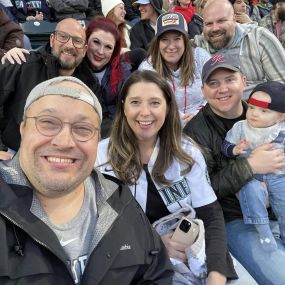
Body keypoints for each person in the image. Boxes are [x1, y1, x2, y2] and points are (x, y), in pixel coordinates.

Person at [0, 76, 174, 284]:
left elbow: (155, 274)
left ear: (96, 140)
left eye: (82, 128)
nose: (64, 142)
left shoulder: (119, 201)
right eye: (48, 123)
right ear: (23, 128)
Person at [96, 69, 240, 285]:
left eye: (155, 103)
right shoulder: (100, 156)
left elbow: (211, 217)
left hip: (192, 257)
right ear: (123, 107)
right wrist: (154, 245)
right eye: (135, 102)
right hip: (132, 263)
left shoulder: (187, 153)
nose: (145, 112)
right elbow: (95, 228)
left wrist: (217, 274)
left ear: (168, 108)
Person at [184, 53, 285, 285]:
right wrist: (249, 166)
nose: (222, 89)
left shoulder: (267, 114)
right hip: (235, 219)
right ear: (203, 90)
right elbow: (200, 193)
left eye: (229, 79)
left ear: (243, 80)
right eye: (213, 83)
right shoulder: (195, 134)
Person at [0, 18, 100, 156]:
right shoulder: (22, 64)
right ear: (52, 40)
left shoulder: (90, 84)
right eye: (63, 37)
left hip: (63, 156)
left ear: (84, 50)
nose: (70, 45)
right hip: (14, 153)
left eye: (77, 41)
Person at [222, 81, 285, 252]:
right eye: (251, 108)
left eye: (264, 111)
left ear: (281, 116)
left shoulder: (281, 130)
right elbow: (226, 146)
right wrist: (234, 149)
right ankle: (263, 230)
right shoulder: (241, 128)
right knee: (252, 192)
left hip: (278, 176)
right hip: (251, 176)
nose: (254, 114)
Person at [193, 0, 285, 99]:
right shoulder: (198, 46)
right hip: (213, 112)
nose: (215, 28)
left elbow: (282, 86)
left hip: (258, 110)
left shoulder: (259, 39)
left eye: (221, 21)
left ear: (234, 19)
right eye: (209, 24)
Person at [139, 11, 210, 126]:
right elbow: (148, 104)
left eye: (177, 39)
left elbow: (215, 92)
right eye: (165, 40)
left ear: (185, 41)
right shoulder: (148, 68)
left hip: (203, 122)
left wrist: (200, 112)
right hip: (166, 126)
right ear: (157, 43)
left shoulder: (200, 57)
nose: (171, 46)